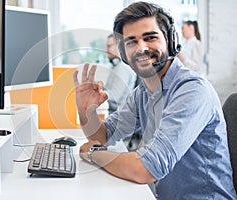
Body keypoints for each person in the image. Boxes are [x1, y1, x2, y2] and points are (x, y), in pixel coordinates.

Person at [73, 2, 237, 199]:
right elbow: (102, 136)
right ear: (124, 52)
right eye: (131, 41)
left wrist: (93, 155)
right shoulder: (143, 92)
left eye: (150, 37)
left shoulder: (192, 90)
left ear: (170, 40)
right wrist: (86, 111)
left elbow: (145, 169)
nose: (141, 48)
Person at [104, 33, 137, 114]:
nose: (106, 50)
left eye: (109, 46)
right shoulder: (116, 66)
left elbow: (114, 98)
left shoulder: (123, 67)